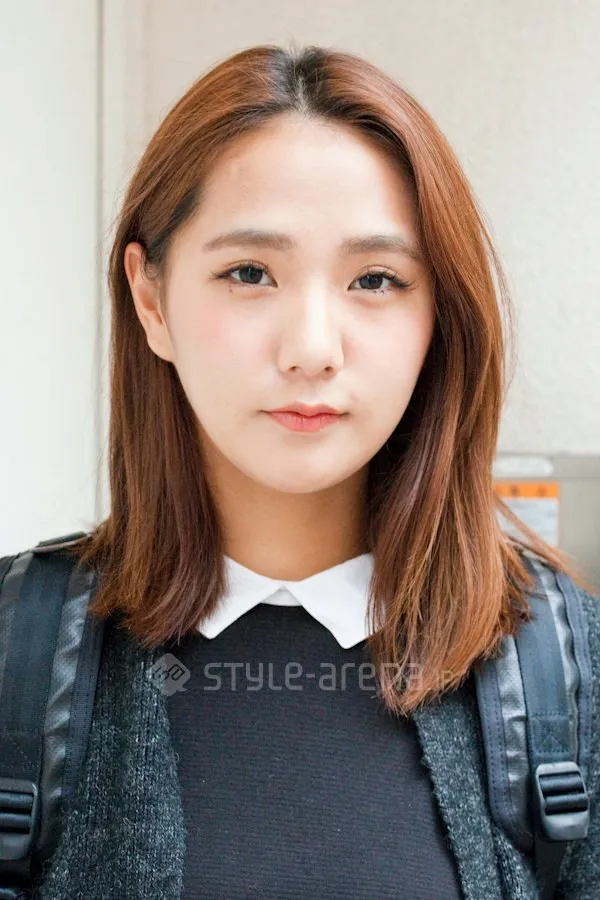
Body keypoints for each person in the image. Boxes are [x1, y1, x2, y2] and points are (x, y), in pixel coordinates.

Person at [17, 42, 600, 898]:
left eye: (377, 279)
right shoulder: (17, 655)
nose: (313, 349)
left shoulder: (567, 672)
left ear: (439, 314)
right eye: (250, 273)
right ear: (152, 300)